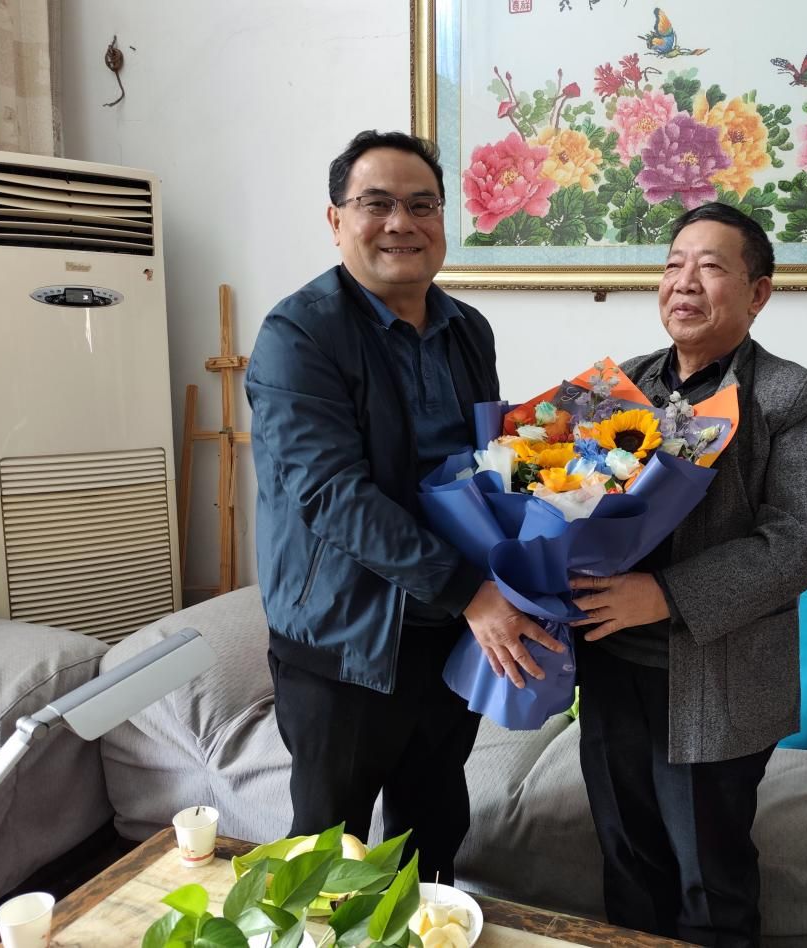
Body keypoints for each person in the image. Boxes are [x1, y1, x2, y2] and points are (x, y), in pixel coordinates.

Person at [246, 130, 562, 882]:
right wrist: (473, 593)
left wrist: (559, 488)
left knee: (433, 830)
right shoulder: (299, 334)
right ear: (336, 220)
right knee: (328, 859)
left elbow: (480, 466)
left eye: (422, 205)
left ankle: (432, 928)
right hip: (347, 639)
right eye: (376, 203)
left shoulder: (467, 330)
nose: (401, 223)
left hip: (449, 634)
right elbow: (332, 494)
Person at [569, 202, 807, 947]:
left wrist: (663, 594)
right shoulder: (617, 386)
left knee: (709, 882)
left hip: (716, 678)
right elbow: (563, 501)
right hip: (611, 668)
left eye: (711, 266)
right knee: (627, 863)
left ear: (758, 293)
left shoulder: (790, 395)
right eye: (673, 264)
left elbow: (803, 540)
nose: (684, 282)